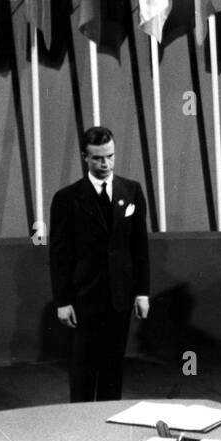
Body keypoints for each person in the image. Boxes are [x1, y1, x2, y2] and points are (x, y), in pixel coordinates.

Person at [49, 126, 150, 402]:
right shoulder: (66, 198)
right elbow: (59, 255)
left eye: (110, 156)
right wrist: (62, 301)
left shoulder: (132, 191)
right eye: (97, 158)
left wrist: (142, 292)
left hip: (119, 299)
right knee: (82, 373)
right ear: (85, 157)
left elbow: (139, 247)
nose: (105, 164)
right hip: (83, 300)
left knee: (113, 370)